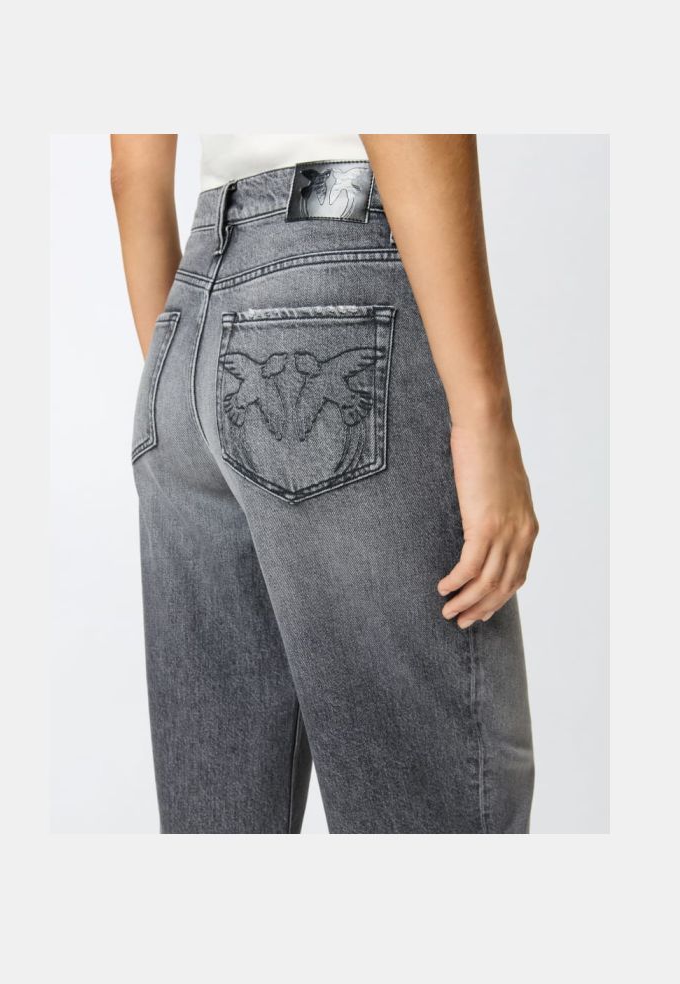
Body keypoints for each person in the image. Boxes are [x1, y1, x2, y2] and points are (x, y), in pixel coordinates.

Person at [111, 133, 538, 834]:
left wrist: (192, 386)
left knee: (218, 822)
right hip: (336, 286)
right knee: (435, 809)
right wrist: (484, 419)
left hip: (184, 332)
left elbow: (132, 172)